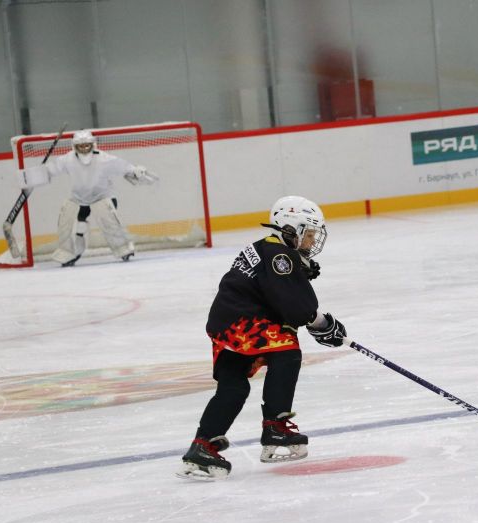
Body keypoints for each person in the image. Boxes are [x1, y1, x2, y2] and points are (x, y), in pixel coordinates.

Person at [178, 195, 347, 480]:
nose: (312, 241)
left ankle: (202, 446)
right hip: (242, 322)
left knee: (234, 388)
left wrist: (299, 273)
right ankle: (275, 427)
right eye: (308, 234)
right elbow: (297, 309)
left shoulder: (267, 248)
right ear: (290, 229)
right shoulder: (280, 255)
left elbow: (270, 290)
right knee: (287, 348)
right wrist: (323, 324)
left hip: (224, 324)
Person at [34, 129, 156, 266]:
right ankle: (71, 254)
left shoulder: (103, 158)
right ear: (74, 146)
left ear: (93, 144)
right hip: (79, 200)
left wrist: (135, 170)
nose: (84, 149)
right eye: (81, 146)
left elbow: (122, 166)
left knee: (110, 222)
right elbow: (51, 169)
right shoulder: (67, 159)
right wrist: (35, 175)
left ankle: (123, 249)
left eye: (87, 145)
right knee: (75, 226)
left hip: (103, 197)